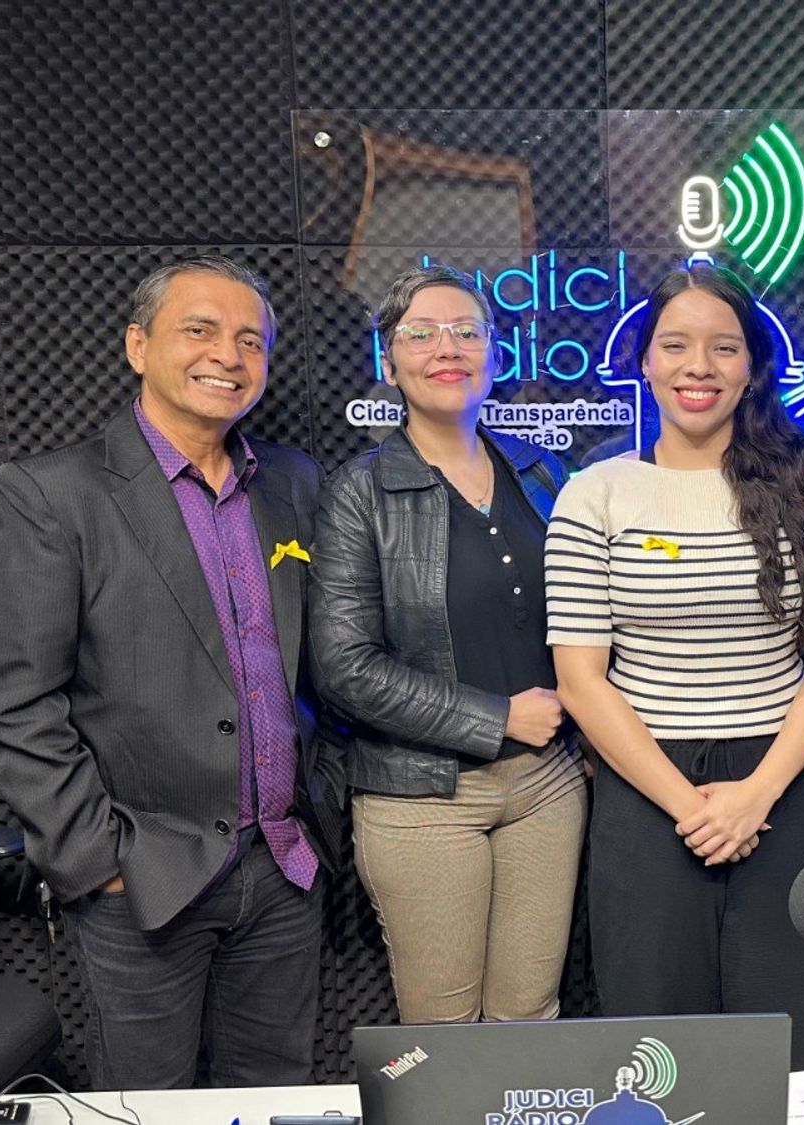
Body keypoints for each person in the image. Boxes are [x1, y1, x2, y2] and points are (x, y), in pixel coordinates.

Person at [0, 256, 343, 1088]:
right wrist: (94, 859)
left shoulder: (292, 484)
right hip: (142, 877)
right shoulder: (52, 493)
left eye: (251, 339)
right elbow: (18, 701)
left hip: (283, 867)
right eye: (200, 330)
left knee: (273, 1097)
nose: (229, 354)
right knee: (148, 1107)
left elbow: (321, 668)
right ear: (138, 345)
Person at [546, 262, 804, 1067]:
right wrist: (691, 805)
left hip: (784, 782)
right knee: (659, 1050)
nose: (699, 367)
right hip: (648, 792)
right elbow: (582, 679)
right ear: (643, 360)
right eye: (675, 345)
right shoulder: (594, 493)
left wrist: (754, 796)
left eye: (723, 348)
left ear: (751, 364)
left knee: (796, 1042)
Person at [307, 264, 585, 1023]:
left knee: (531, 1020)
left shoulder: (542, 472)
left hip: (548, 788)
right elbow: (342, 667)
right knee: (446, 1037)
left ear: (497, 353)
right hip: (421, 798)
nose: (447, 348)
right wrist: (495, 716)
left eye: (467, 331)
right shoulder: (356, 490)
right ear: (387, 362)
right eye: (420, 334)